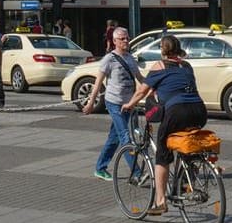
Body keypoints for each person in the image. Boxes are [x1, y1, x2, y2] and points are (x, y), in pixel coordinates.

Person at [122, 34, 208, 217]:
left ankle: (160, 202)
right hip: (199, 110)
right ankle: (186, 178)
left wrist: (129, 104)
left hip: (177, 111)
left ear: (163, 49)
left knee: (162, 154)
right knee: (187, 142)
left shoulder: (159, 66)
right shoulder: (186, 66)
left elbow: (141, 91)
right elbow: (177, 84)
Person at [84, 26, 141, 181]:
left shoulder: (130, 58)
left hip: (128, 104)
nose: (126, 41)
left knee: (114, 138)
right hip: (114, 103)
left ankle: (100, 168)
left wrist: (152, 91)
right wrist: (91, 103)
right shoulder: (109, 59)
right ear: (114, 41)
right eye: (122, 38)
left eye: (127, 38)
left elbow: (140, 78)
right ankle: (137, 173)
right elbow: (98, 83)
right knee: (125, 138)